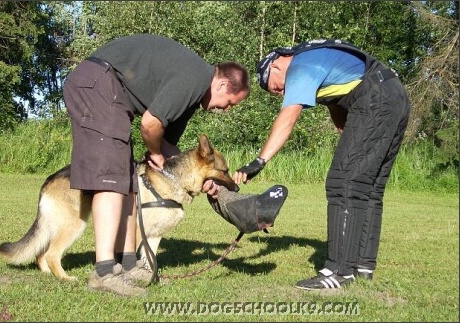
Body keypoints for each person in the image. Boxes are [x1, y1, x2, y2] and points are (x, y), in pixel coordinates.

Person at [63, 33, 250, 296]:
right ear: (220, 85)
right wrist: (156, 153)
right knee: (110, 179)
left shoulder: (192, 98)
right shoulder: (195, 79)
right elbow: (150, 125)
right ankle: (104, 272)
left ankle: (130, 265)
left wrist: (204, 178)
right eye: (230, 102)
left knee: (128, 181)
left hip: (112, 96)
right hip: (98, 84)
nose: (226, 109)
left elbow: (167, 148)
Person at [233, 39, 410, 290]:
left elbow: (289, 116)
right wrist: (353, 140)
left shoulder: (301, 65)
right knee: (366, 188)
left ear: (274, 67)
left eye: (273, 88)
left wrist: (259, 161)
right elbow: (339, 106)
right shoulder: (320, 62)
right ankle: (362, 267)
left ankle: (338, 271)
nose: (280, 93)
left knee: (343, 183)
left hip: (374, 98)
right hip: (394, 95)